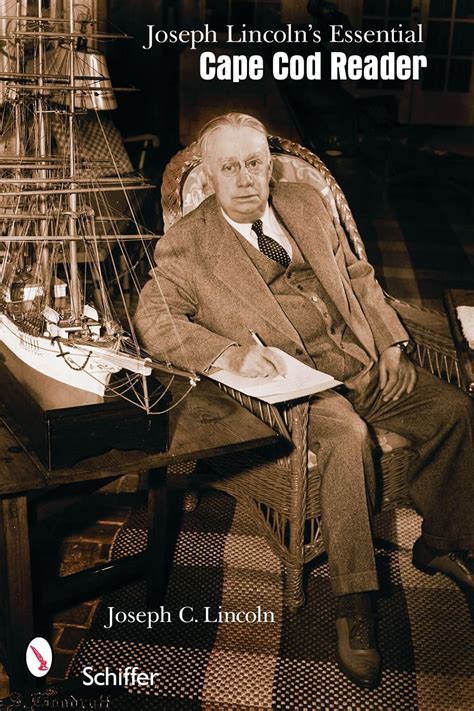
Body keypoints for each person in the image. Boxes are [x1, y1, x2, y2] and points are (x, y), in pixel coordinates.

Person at [134, 113, 473, 689]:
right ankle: (355, 604)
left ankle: (444, 541)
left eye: (254, 163)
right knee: (348, 439)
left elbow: (358, 274)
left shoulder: (307, 202)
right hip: (292, 385)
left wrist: (390, 341)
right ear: (209, 176)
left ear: (270, 164)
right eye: (229, 168)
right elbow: (155, 319)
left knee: (455, 411)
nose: (245, 179)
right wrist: (228, 355)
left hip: (357, 358)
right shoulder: (188, 243)